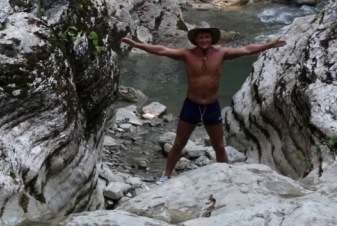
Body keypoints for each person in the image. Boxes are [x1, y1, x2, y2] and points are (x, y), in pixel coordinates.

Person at [121, 22, 286, 183]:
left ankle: (226, 177)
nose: (204, 40)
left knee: (219, 146)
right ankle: (166, 175)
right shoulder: (187, 54)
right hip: (191, 106)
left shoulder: (221, 53)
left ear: (212, 39)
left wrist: (270, 44)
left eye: (207, 37)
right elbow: (162, 50)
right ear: (196, 40)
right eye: (201, 37)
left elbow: (246, 49)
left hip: (212, 107)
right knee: (179, 143)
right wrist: (138, 44)